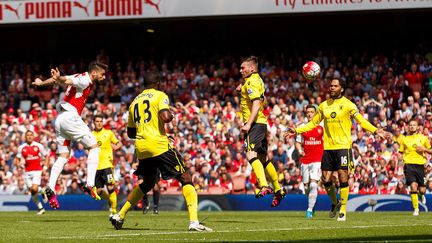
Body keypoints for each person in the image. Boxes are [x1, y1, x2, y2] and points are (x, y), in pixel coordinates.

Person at [110, 71, 212, 232]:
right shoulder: (160, 96)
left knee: (149, 182)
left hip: (142, 148)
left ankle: (120, 215)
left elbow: (130, 133)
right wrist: (172, 114)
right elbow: (165, 116)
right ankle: (194, 222)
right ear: (157, 83)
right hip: (158, 145)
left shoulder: (134, 102)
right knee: (185, 177)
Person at [285, 78, 391, 221]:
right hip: (328, 148)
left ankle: (343, 210)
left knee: (343, 176)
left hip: (343, 147)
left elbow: (361, 121)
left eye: (335, 86)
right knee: (326, 180)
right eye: (331, 86)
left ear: (341, 88)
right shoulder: (323, 106)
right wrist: (297, 130)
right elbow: (313, 124)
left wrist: (375, 130)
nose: (332, 88)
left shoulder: (349, 105)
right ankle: (335, 202)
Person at [32, 61, 108, 209]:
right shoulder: (85, 79)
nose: (104, 77)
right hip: (70, 117)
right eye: (102, 74)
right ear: (94, 73)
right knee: (94, 147)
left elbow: (59, 79)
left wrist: (41, 83)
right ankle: (90, 184)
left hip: (59, 119)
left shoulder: (81, 77)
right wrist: (60, 78)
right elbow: (65, 80)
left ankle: (51, 188)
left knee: (63, 156)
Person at [237, 56, 284, 207]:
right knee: (263, 159)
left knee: (250, 154)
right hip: (261, 123)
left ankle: (264, 185)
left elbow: (256, 104)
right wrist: (241, 86)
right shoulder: (255, 79)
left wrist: (248, 124)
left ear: (252, 68)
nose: (240, 70)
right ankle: (278, 190)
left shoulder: (251, 82)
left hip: (255, 123)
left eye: (243, 68)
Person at [295, 105, 324, 219]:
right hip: (305, 160)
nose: (310, 114)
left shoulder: (321, 126)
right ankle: (312, 203)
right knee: (306, 186)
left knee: (313, 184)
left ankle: (309, 210)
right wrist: (299, 150)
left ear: (316, 113)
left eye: (312, 112)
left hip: (317, 159)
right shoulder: (302, 127)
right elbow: (298, 142)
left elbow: (326, 141)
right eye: (308, 112)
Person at [398, 119, 431, 216]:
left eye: (414, 125)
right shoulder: (404, 139)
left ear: (417, 127)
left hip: (420, 165)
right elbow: (400, 153)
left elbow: (430, 150)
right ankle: (416, 209)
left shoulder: (424, 138)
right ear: (408, 127)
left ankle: (421, 195)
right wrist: (400, 161)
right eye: (410, 125)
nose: (411, 126)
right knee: (413, 186)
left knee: (422, 190)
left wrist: (424, 149)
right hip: (409, 165)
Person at [92, 114, 122, 218]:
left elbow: (119, 144)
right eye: (97, 121)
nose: (99, 123)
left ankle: (113, 210)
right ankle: (110, 200)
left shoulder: (108, 133)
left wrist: (113, 147)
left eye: (101, 121)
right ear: (94, 122)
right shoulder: (91, 135)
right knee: (99, 191)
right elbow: (87, 148)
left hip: (107, 165)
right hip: (95, 167)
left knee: (110, 187)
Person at [14, 130, 49, 215]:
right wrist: (19, 166)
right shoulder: (21, 147)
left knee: (34, 188)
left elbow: (46, 156)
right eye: (27, 135)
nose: (29, 136)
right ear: (25, 137)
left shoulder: (38, 146)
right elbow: (17, 159)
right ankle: (40, 207)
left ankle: (42, 191)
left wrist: (45, 167)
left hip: (37, 170)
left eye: (31, 135)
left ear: (33, 137)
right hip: (27, 172)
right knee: (32, 191)